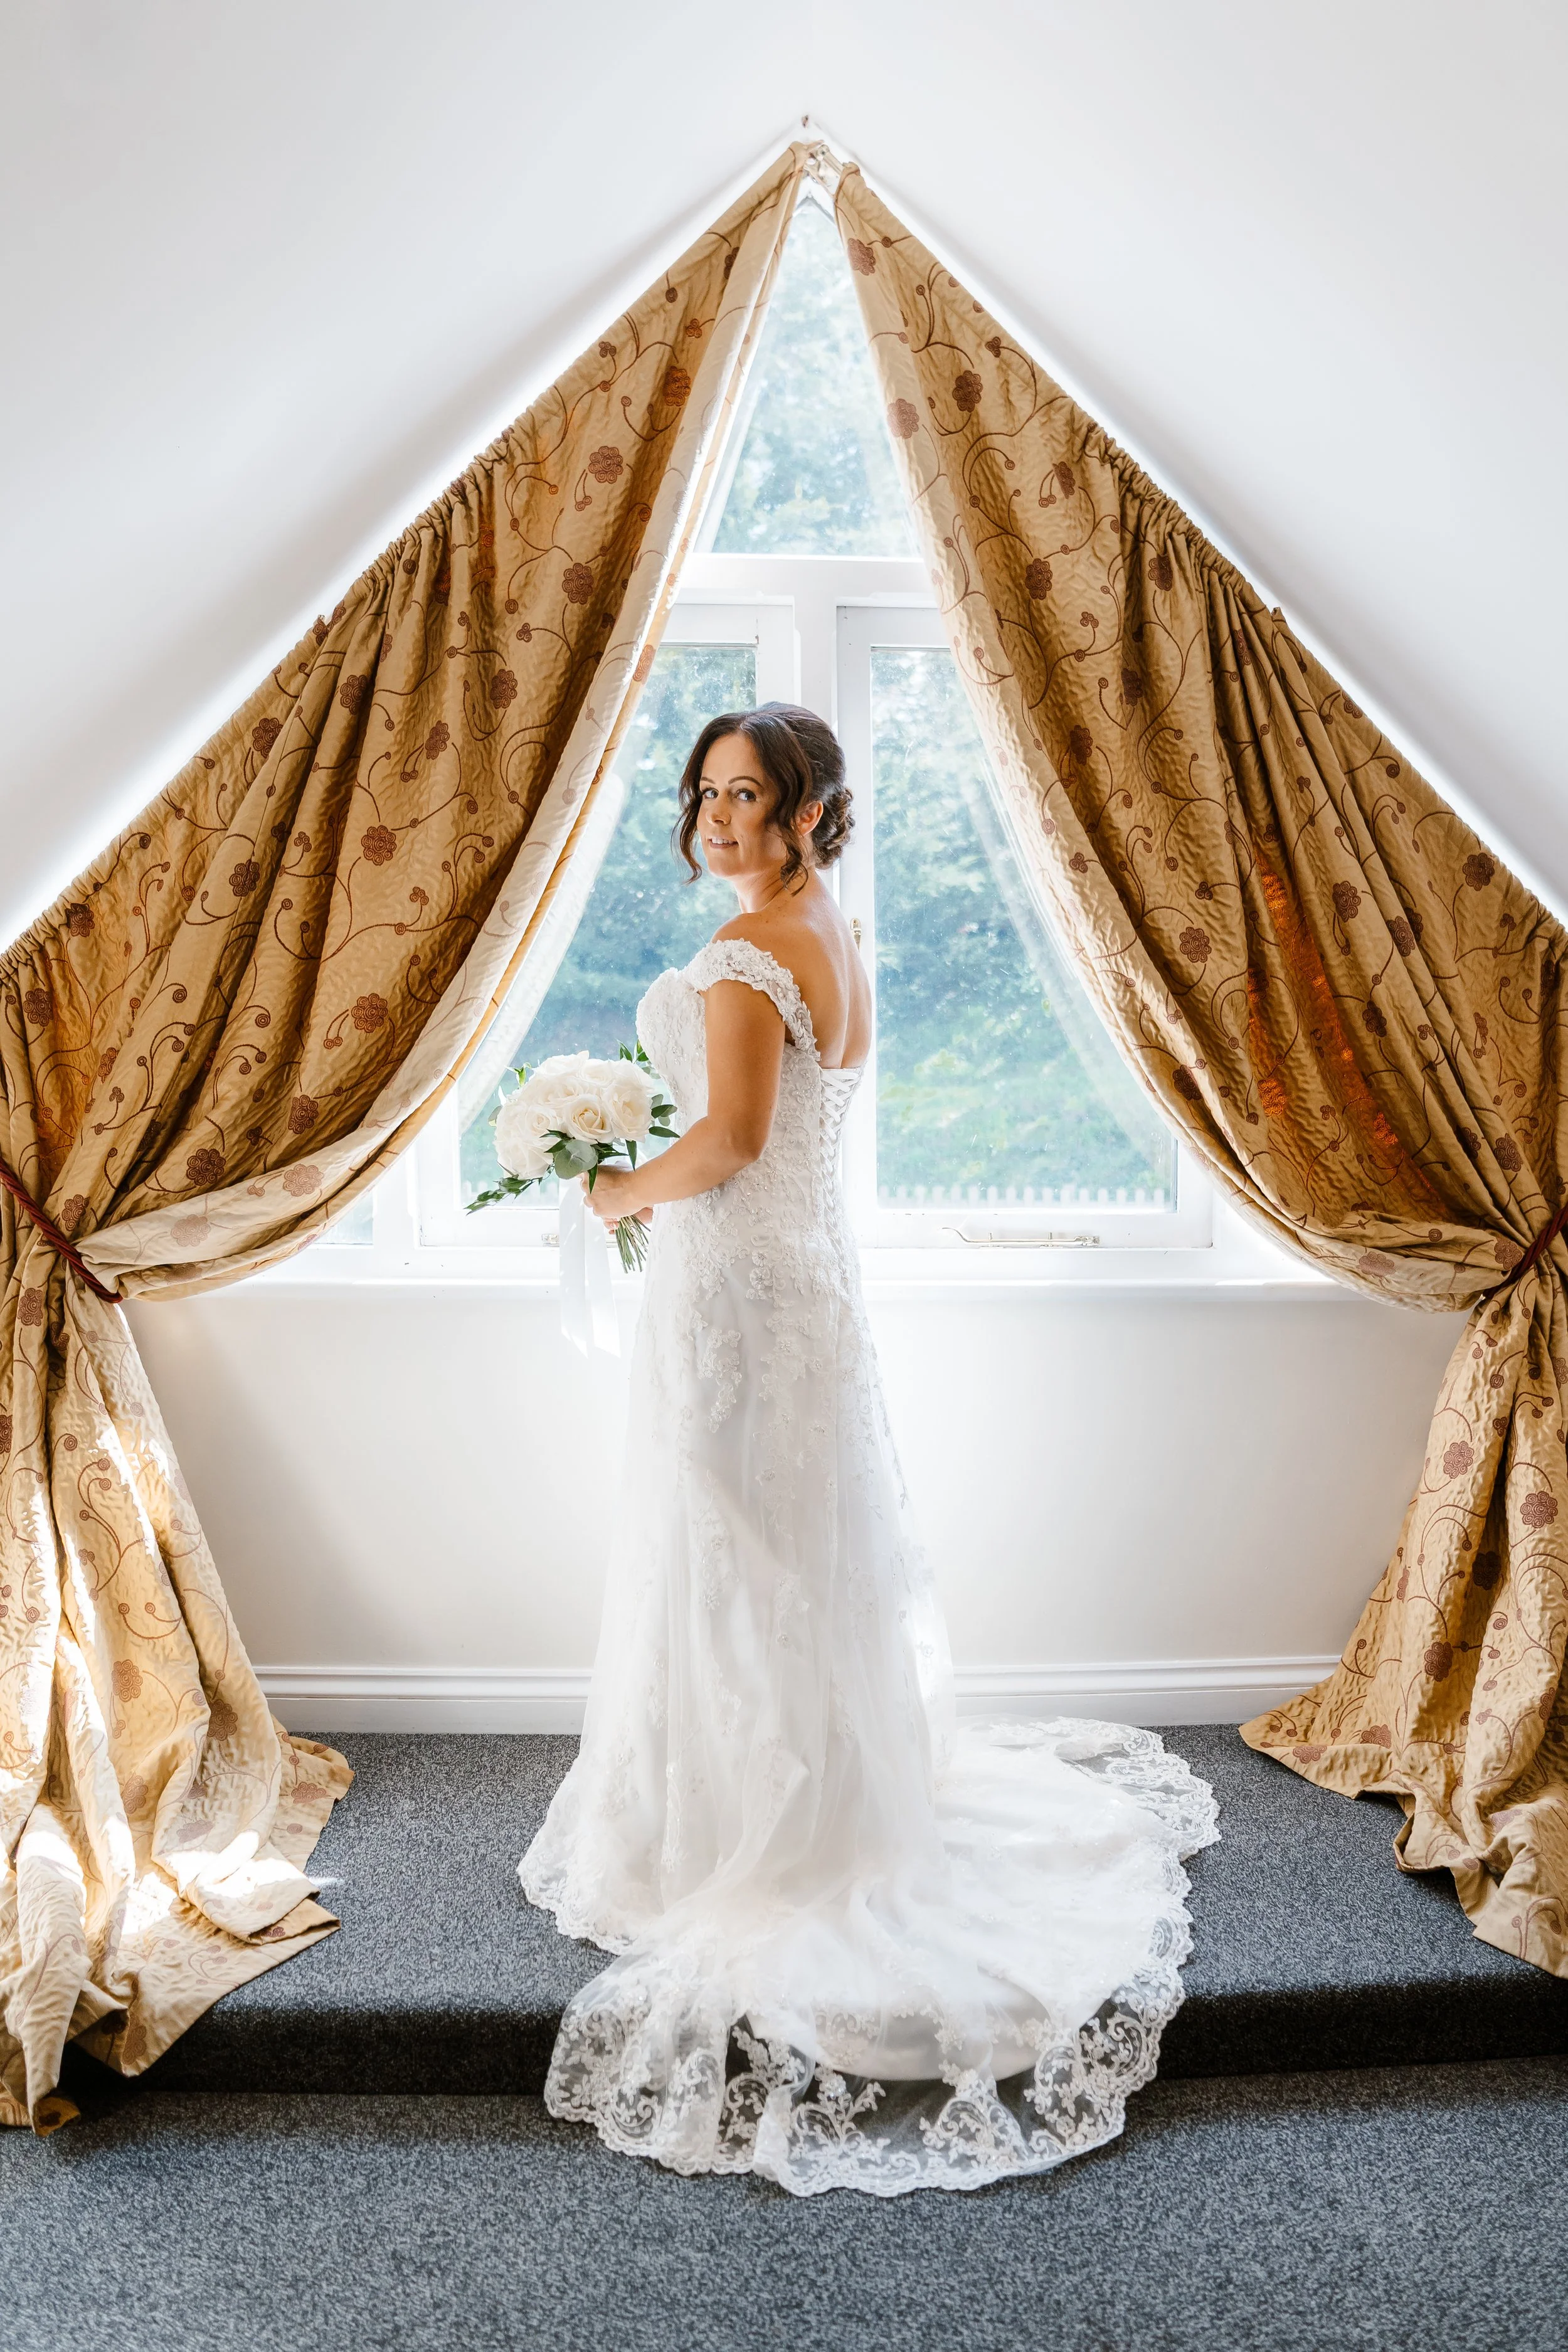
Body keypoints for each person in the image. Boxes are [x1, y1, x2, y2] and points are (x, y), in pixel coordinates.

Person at [520, 702, 1217, 2196]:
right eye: (705, 793)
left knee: (731, 1550)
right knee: (788, 1553)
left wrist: (615, 1191)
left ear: (808, 813)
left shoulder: (739, 958)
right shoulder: (826, 929)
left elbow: (730, 1148)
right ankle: (819, 1791)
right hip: (802, 1299)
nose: (717, 819)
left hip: (734, 1298)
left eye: (749, 797)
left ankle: (753, 1832)